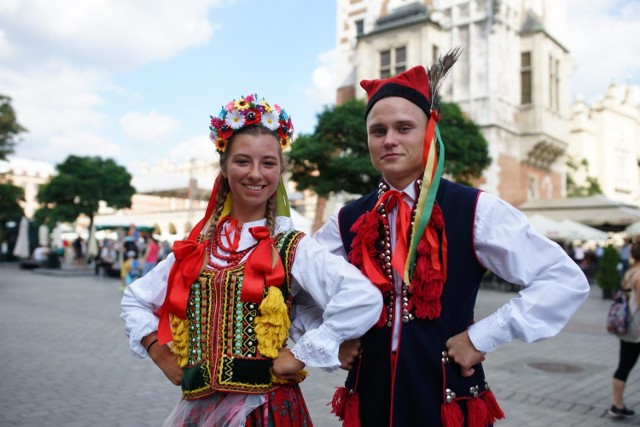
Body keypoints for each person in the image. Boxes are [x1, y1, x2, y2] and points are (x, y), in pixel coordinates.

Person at [311, 52, 591, 426]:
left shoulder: (475, 209)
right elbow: (297, 287)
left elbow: (563, 279)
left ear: (429, 130)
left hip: (446, 400)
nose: (390, 140)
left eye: (403, 127)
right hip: (371, 396)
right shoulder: (347, 219)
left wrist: (482, 337)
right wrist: (333, 338)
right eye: (378, 131)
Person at [120, 93, 382, 426]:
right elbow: (135, 299)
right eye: (243, 161)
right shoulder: (199, 248)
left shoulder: (291, 246)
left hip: (266, 410)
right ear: (224, 168)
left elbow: (363, 297)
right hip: (201, 410)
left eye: (268, 163)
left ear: (280, 172)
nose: (255, 173)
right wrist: (158, 350)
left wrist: (301, 355)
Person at [609, 241, 640, 419]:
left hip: (627, 326)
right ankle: (618, 404)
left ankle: (617, 404)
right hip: (637, 326)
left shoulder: (630, 271)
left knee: (624, 365)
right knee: (625, 365)